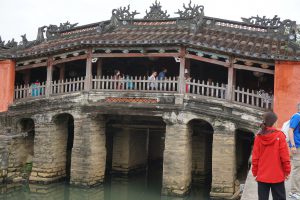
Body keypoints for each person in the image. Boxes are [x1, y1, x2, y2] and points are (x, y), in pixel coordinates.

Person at [252, 111, 291, 200]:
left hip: (262, 175)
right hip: (277, 175)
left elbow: (255, 157)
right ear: (273, 122)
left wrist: (255, 172)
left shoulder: (259, 136)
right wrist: (287, 171)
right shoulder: (280, 136)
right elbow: (285, 157)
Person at [289, 103, 300, 199]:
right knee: (297, 169)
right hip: (297, 146)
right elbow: (290, 130)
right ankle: (294, 192)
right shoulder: (297, 116)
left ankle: (297, 190)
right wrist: (293, 145)